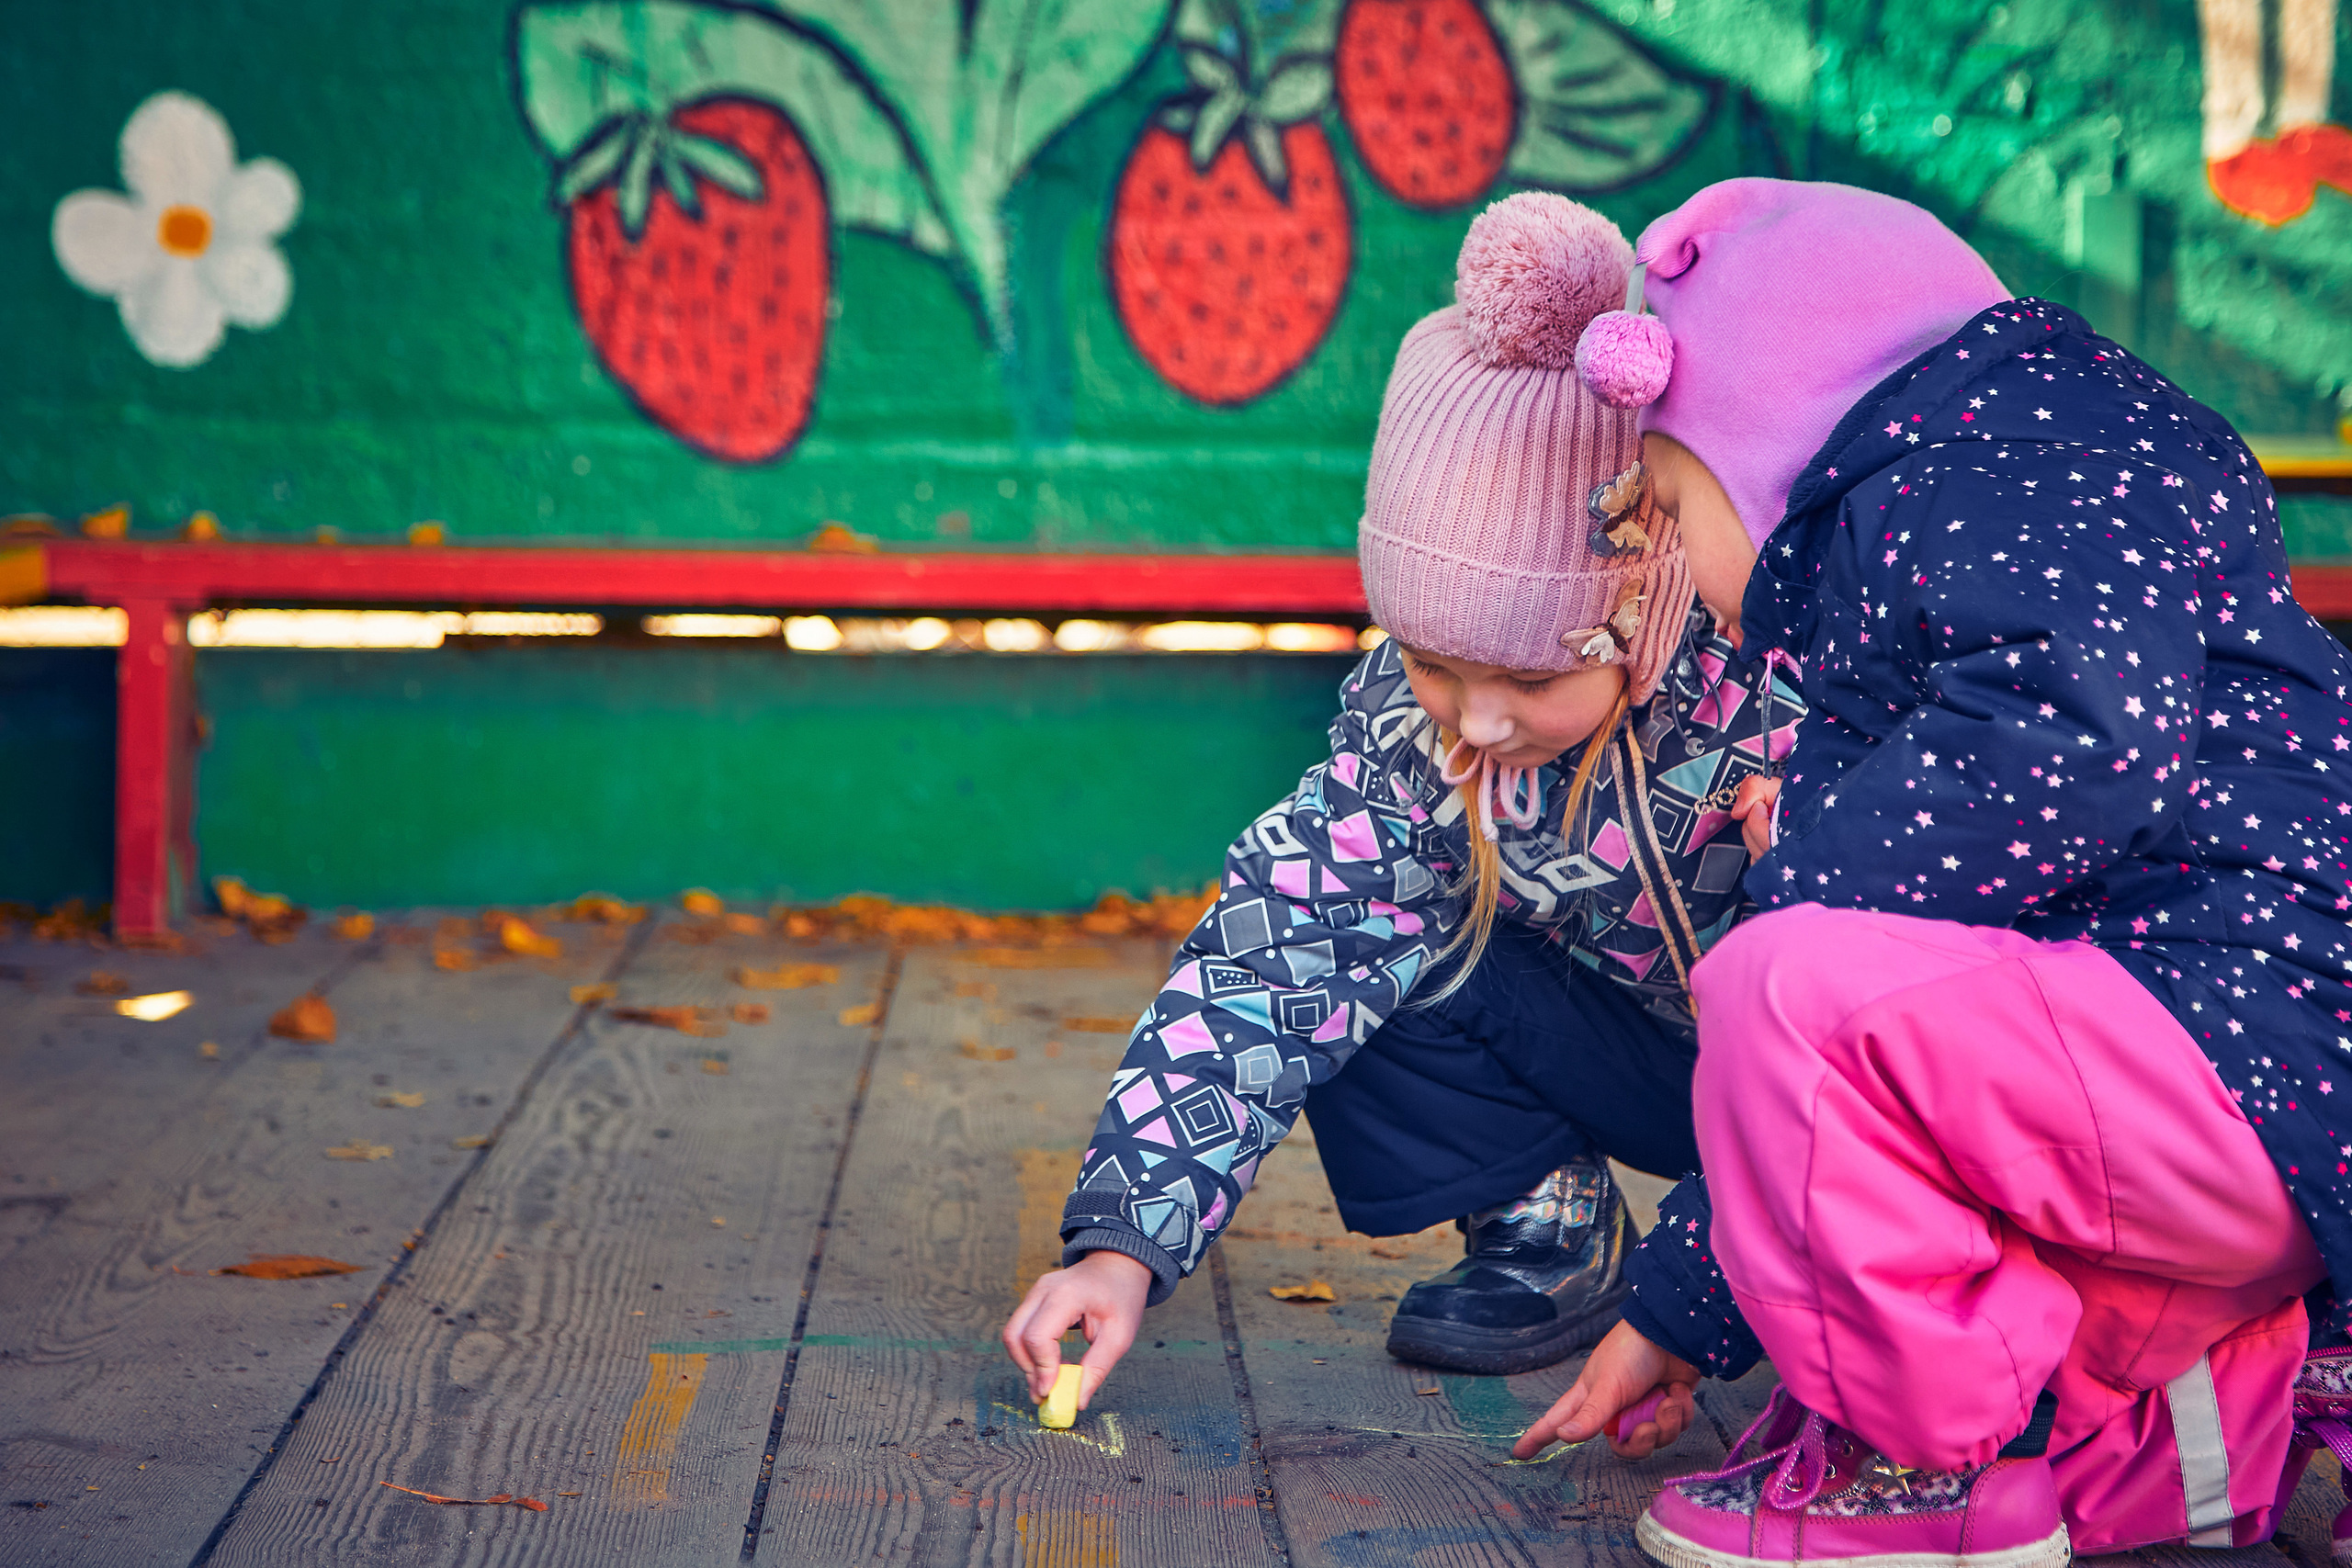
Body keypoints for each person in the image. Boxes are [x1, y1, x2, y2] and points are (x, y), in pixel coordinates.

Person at [1520, 176, 2352, 1567]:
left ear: (1762, 433)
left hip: (2225, 1057)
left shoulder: (1981, 487)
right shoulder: (2020, 482)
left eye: (1671, 498)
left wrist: (1805, 888)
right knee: (1865, 1054)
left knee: (1789, 984)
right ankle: (2247, 1420)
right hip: (2249, 1112)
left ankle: (1926, 1469)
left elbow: (2077, 743)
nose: (1673, 550)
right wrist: (1677, 1311)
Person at [1001, 192, 1803, 1405]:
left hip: (1812, 1101)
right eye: (1433, 662)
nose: (1475, 721)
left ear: (1650, 603)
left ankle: (1824, 1282)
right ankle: (1548, 1217)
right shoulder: (1411, 738)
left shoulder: (1787, 687)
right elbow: (1272, 960)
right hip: (1645, 1063)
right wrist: (1120, 1249)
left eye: (1532, 676)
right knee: (1348, 923)